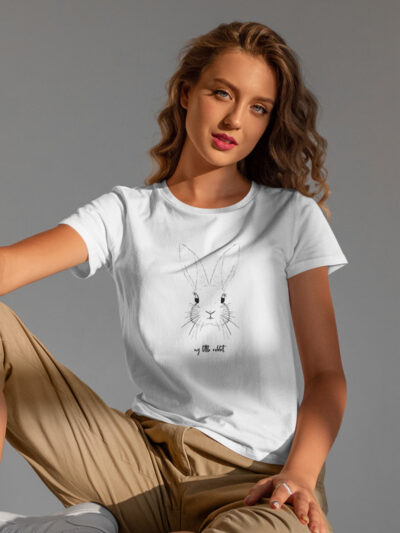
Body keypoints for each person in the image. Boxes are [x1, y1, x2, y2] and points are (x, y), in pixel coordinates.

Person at [0, 20, 348, 533]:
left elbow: (325, 377)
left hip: (255, 482)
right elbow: (8, 266)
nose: (234, 119)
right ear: (186, 93)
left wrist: (300, 474)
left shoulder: (291, 217)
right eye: (221, 93)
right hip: (138, 469)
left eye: (258, 108)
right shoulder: (127, 214)